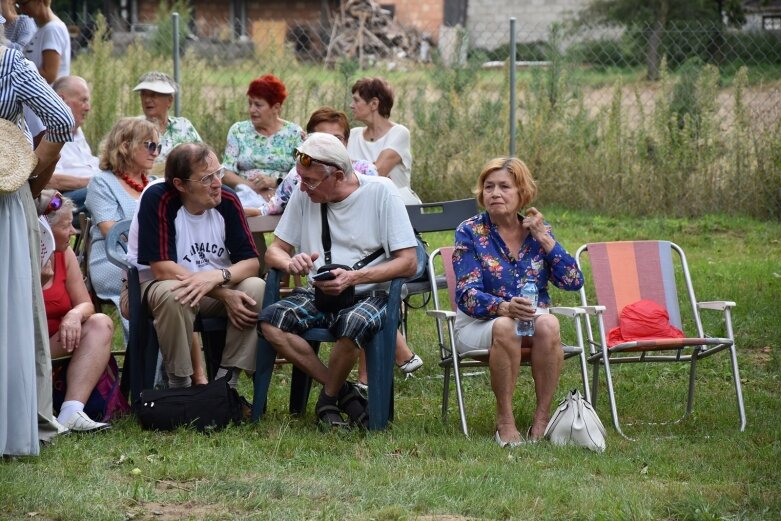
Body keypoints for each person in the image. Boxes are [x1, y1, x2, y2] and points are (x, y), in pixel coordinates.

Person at [241, 107, 424, 388]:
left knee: (352, 326)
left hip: (369, 294)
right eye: (300, 178)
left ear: (338, 176)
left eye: (310, 181)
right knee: (269, 323)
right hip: (319, 294)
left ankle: (328, 398)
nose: (301, 188)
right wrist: (291, 263)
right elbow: (274, 250)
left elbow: (408, 262)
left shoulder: (381, 191)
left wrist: (353, 278)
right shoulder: (304, 194)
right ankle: (339, 390)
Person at [452, 157, 584, 446]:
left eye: (504, 187)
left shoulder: (536, 231)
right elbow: (466, 294)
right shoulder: (471, 231)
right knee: (506, 326)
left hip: (531, 323)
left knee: (548, 323)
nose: (495, 193)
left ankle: (542, 419)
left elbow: (573, 281)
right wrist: (504, 307)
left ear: (522, 192)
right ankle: (505, 421)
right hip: (480, 324)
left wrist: (544, 238)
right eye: (489, 187)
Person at [125, 143, 264, 391]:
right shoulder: (158, 197)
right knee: (175, 294)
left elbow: (252, 263)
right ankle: (180, 385)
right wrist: (221, 292)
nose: (217, 183)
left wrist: (220, 276)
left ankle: (225, 383)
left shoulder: (227, 199)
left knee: (255, 288)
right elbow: (162, 270)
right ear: (180, 184)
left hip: (211, 287)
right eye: (206, 178)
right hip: (155, 286)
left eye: (218, 173)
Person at [1, 21, 75, 456]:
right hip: (5, 196)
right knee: (9, 309)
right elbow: (62, 120)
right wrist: (26, 173)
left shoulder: (11, 59)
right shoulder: (10, 61)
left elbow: (62, 121)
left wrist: (23, 170)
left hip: (5, 193)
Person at [38, 190, 113, 432]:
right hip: (23, 346)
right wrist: (37, 283)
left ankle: (71, 410)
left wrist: (74, 314)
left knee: (100, 322)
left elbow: (86, 304)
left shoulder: (64, 253)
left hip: (56, 340)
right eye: (67, 226)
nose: (73, 232)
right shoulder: (16, 255)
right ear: (44, 232)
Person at [222, 74, 304, 196]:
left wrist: (275, 183)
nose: (252, 110)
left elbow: (300, 174)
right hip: (245, 196)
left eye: (258, 105)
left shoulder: (294, 133)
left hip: (283, 196)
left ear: (276, 107)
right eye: (250, 104)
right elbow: (226, 173)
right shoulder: (238, 131)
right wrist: (251, 188)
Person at [347, 77, 421, 205]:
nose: (351, 105)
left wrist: (350, 167)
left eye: (356, 100)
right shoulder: (353, 135)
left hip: (398, 207)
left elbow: (376, 173)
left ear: (374, 104)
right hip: (363, 206)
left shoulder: (399, 133)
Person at [47, 76, 99, 215]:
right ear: (61, 100)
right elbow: (49, 180)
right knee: (107, 193)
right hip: (59, 202)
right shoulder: (47, 131)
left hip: (89, 192)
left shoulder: (76, 131)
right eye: (83, 100)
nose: (88, 108)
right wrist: (96, 181)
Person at [133, 71, 202, 167]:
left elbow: (202, 159)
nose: (147, 100)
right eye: (144, 94)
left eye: (153, 95)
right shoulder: (132, 128)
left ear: (169, 100)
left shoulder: (183, 126)